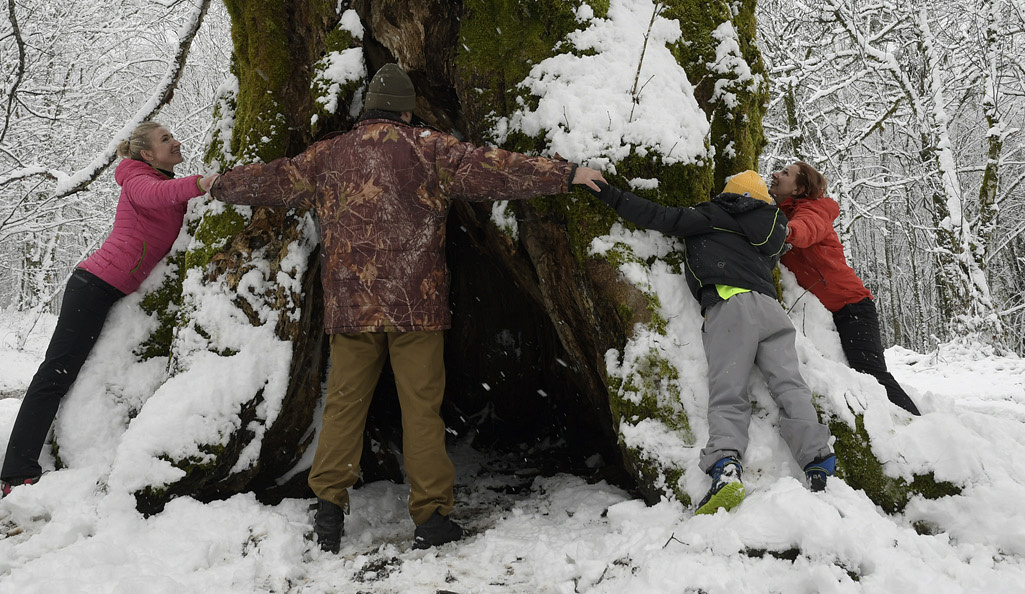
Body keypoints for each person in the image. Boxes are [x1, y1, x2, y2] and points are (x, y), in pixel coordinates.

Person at [208, 63, 604, 553]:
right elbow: (496, 168)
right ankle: (432, 519)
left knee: (344, 407)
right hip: (418, 308)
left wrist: (217, 184)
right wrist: (566, 174)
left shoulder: (327, 157)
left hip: (352, 309)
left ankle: (329, 512)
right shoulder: (430, 148)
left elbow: (273, 180)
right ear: (407, 109)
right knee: (422, 412)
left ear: (367, 109)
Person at [588, 170, 837, 516]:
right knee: (790, 385)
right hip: (770, 310)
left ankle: (726, 470)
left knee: (728, 392)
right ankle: (818, 462)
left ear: (729, 196)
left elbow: (656, 215)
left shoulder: (710, 215)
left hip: (729, 306)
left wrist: (610, 194)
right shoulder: (769, 228)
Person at [0, 122, 218, 495]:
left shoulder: (161, 180)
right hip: (93, 287)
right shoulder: (136, 177)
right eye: (165, 139)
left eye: (173, 136)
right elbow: (156, 195)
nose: (176, 141)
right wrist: (202, 183)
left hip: (111, 290)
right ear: (147, 154)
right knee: (56, 373)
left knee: (64, 373)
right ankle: (16, 472)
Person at [769, 161, 921, 416]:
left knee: (871, 374)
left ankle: (918, 424)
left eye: (785, 173)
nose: (775, 174)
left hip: (853, 306)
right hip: (832, 310)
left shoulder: (811, 211)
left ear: (798, 189)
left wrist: (786, 232)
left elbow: (806, 229)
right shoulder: (780, 213)